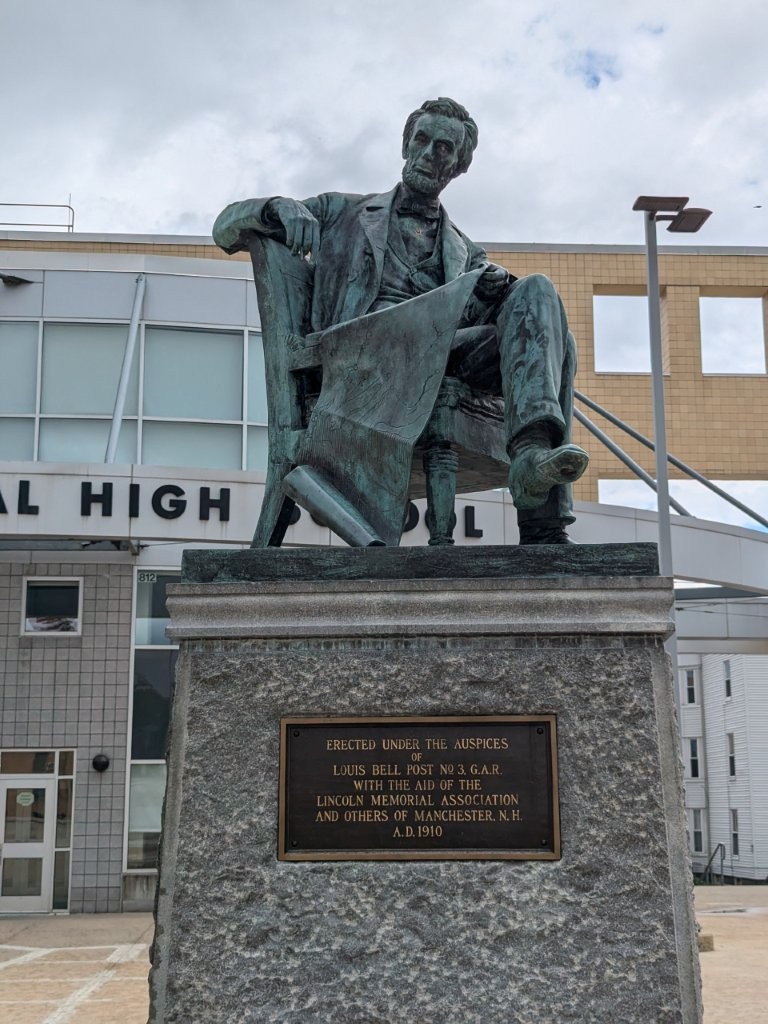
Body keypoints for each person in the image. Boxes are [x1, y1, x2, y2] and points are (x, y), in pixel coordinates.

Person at [213, 97, 588, 544]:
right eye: (423, 141)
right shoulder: (342, 212)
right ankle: (540, 513)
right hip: (363, 361)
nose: (430, 154)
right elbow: (224, 228)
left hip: (436, 356)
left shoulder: (465, 252)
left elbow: (512, 326)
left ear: (458, 168)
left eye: (445, 149)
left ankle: (532, 465)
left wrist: (492, 289)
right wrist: (277, 207)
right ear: (406, 144)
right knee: (536, 310)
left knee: (541, 299)